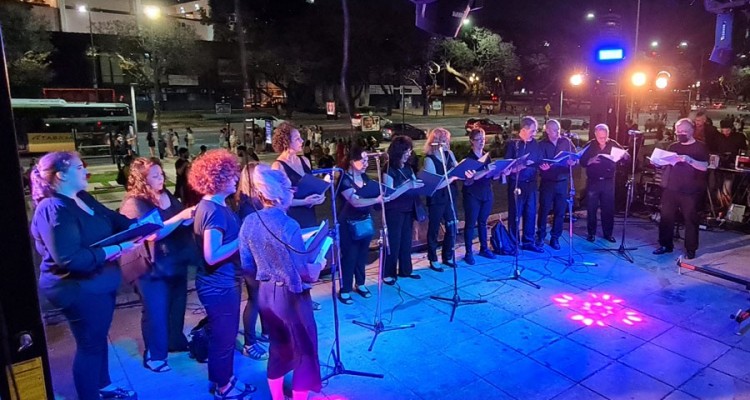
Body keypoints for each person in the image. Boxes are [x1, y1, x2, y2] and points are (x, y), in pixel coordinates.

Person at [29, 152, 138, 400]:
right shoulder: (53, 208)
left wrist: (140, 226)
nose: (85, 172)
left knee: (98, 338)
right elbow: (70, 259)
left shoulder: (83, 197)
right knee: (90, 344)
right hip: (76, 288)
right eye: (79, 168)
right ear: (61, 175)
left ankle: (105, 386)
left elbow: (113, 219)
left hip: (99, 282)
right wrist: (119, 248)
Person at [240, 164, 324, 400]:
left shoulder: (249, 222)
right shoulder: (289, 225)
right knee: (304, 350)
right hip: (292, 296)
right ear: (280, 193)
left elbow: (246, 263)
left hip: (266, 295)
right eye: (289, 188)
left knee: (278, 348)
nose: (293, 193)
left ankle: (277, 397)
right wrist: (317, 266)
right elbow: (303, 272)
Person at [189, 149, 256, 400]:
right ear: (216, 179)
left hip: (224, 283)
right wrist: (242, 238)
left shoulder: (216, 205)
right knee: (224, 338)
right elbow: (212, 255)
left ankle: (223, 378)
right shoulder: (213, 211)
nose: (236, 178)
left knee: (224, 336)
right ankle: (223, 388)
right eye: (230, 175)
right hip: (218, 286)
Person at [119, 158, 197, 372]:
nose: (160, 178)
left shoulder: (166, 196)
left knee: (176, 306)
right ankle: (154, 354)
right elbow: (152, 233)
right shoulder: (135, 203)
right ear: (142, 179)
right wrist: (181, 216)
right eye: (154, 176)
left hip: (174, 262)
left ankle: (174, 342)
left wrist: (190, 217)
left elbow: (178, 221)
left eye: (161, 174)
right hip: (150, 268)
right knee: (156, 310)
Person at [652, 118, 709, 259]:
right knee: (666, 218)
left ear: (691, 131)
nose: (680, 134)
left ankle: (691, 249)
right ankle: (665, 244)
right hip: (671, 188)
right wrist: (658, 162)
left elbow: (704, 166)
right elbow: (666, 163)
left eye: (683, 131)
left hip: (690, 190)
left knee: (690, 220)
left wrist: (688, 159)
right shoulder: (673, 146)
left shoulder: (700, 147)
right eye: (678, 132)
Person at [235, 163, 269, 361]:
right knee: (255, 299)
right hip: (252, 261)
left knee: (263, 297)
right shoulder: (247, 205)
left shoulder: (257, 200)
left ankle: (266, 331)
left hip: (261, 258)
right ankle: (249, 343)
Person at [383, 136, 425, 284]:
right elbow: (389, 194)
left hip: (408, 208)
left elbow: (414, 182)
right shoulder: (388, 169)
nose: (409, 153)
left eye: (410, 150)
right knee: (394, 242)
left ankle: (406, 270)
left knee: (406, 241)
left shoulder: (408, 167)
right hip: (394, 210)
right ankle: (389, 273)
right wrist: (406, 187)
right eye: (406, 150)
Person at [271, 122, 325, 228]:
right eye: (297, 139)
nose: (302, 141)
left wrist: (319, 195)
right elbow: (279, 200)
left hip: (310, 214)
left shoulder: (305, 160)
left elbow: (311, 187)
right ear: (287, 142)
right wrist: (304, 202)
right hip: (292, 217)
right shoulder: (278, 166)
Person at [580, 123, 625, 243]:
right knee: (591, 208)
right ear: (595, 135)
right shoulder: (590, 145)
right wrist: (591, 160)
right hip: (593, 181)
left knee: (608, 209)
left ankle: (608, 233)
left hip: (608, 182)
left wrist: (624, 156)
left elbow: (625, 157)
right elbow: (581, 161)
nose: (603, 140)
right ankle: (591, 233)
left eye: (605, 137)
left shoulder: (613, 144)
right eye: (600, 137)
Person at [504, 116, 544, 253]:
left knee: (531, 213)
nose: (535, 133)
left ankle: (528, 241)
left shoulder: (535, 144)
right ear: (524, 129)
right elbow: (506, 168)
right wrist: (516, 168)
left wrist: (542, 166)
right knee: (515, 214)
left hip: (531, 184)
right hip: (517, 184)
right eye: (533, 130)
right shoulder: (513, 144)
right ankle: (513, 243)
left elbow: (538, 160)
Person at [422, 128, 460, 271]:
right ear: (435, 142)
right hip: (437, 198)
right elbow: (434, 185)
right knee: (434, 228)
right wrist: (452, 177)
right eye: (443, 140)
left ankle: (448, 255)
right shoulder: (429, 159)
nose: (446, 143)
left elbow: (457, 169)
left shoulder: (449, 154)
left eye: (447, 140)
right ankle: (432, 258)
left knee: (452, 225)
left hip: (450, 195)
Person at [536, 119, 576, 250]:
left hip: (562, 182)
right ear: (547, 130)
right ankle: (541, 236)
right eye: (554, 130)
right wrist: (543, 167)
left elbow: (575, 157)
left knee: (560, 211)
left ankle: (555, 238)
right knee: (544, 210)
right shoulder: (541, 145)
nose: (558, 132)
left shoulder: (566, 142)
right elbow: (538, 162)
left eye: (559, 130)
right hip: (547, 182)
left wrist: (573, 162)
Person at [462, 128, 497, 264]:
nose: (482, 142)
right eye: (478, 139)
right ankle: (468, 252)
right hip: (472, 194)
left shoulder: (486, 156)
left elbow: (490, 173)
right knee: (470, 223)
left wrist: (499, 171)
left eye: (483, 139)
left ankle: (484, 247)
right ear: (472, 141)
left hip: (486, 192)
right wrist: (486, 170)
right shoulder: (469, 159)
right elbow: (471, 177)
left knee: (483, 222)